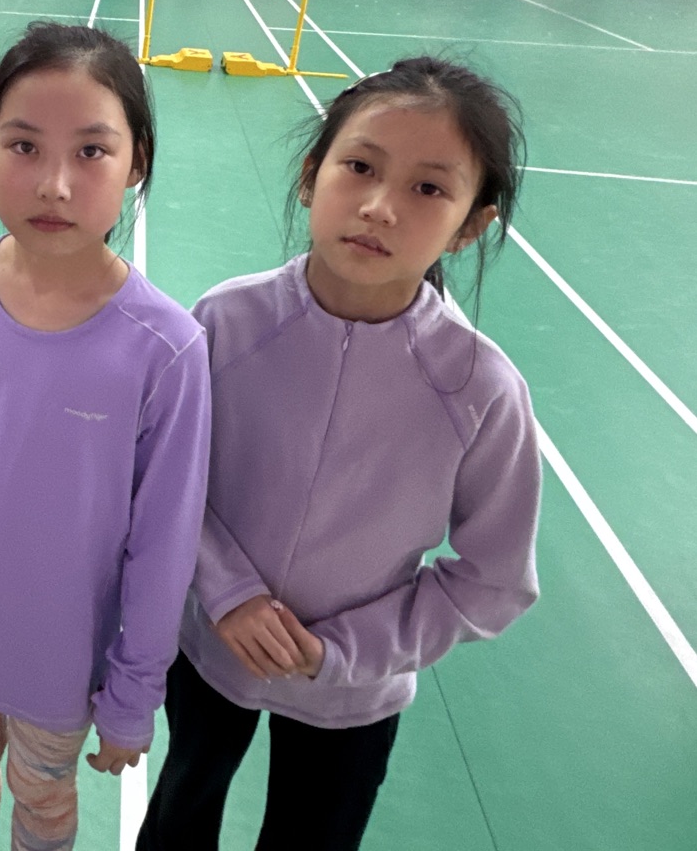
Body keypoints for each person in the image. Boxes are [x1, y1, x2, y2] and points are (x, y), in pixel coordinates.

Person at [137, 57, 542, 851]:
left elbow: (495, 580)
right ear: (309, 175)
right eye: (359, 167)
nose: (380, 206)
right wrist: (226, 591)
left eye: (429, 188)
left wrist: (344, 652)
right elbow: (164, 476)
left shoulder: (479, 387)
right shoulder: (224, 321)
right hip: (212, 649)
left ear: (471, 224)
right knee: (182, 809)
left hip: (355, 695)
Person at [0, 23, 212, 851]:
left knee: (44, 795)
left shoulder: (166, 349)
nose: (54, 184)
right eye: (23, 146)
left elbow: (163, 544)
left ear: (137, 162)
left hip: (63, 663)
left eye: (91, 151)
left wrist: (134, 693)